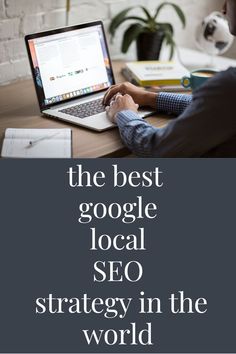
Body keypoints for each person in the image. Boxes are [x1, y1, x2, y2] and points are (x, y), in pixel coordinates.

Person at [104, 0, 236, 157]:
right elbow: (214, 108)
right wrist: (150, 97)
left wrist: (123, 113)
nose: (223, 9)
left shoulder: (229, 85)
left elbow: (155, 148)